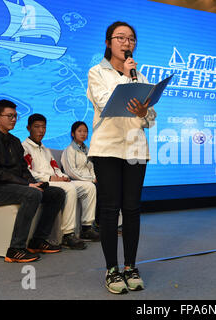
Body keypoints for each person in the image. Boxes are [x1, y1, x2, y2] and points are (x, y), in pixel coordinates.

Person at [87, 21, 156, 294]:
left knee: (132, 210)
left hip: (136, 150)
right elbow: (107, 104)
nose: (127, 43)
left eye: (131, 39)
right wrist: (128, 78)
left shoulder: (140, 75)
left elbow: (150, 117)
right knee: (109, 209)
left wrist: (144, 112)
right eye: (120, 38)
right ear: (108, 42)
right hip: (107, 149)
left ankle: (130, 266)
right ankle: (111, 269)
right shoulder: (97, 72)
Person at [0, 100, 65, 263]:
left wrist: (33, 182)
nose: (14, 119)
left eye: (15, 116)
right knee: (31, 194)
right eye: (9, 116)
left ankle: (37, 240)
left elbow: (23, 169)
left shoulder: (15, 141)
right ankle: (15, 249)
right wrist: (27, 185)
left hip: (13, 187)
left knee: (56, 193)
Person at [22, 114, 100, 250]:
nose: (41, 130)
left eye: (43, 127)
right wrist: (51, 178)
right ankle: (67, 235)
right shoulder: (24, 148)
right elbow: (27, 172)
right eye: (37, 127)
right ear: (28, 128)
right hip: (42, 183)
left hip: (57, 180)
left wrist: (62, 176)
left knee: (89, 187)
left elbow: (55, 167)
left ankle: (86, 227)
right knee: (69, 188)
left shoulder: (45, 149)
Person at [61, 121, 99, 228]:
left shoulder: (88, 150)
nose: (83, 134)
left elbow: (92, 167)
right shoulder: (69, 150)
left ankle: (101, 224)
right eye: (80, 131)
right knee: (92, 187)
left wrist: (95, 178)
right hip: (75, 181)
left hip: (89, 180)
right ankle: (87, 227)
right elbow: (71, 172)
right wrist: (91, 180)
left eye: (85, 131)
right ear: (73, 134)